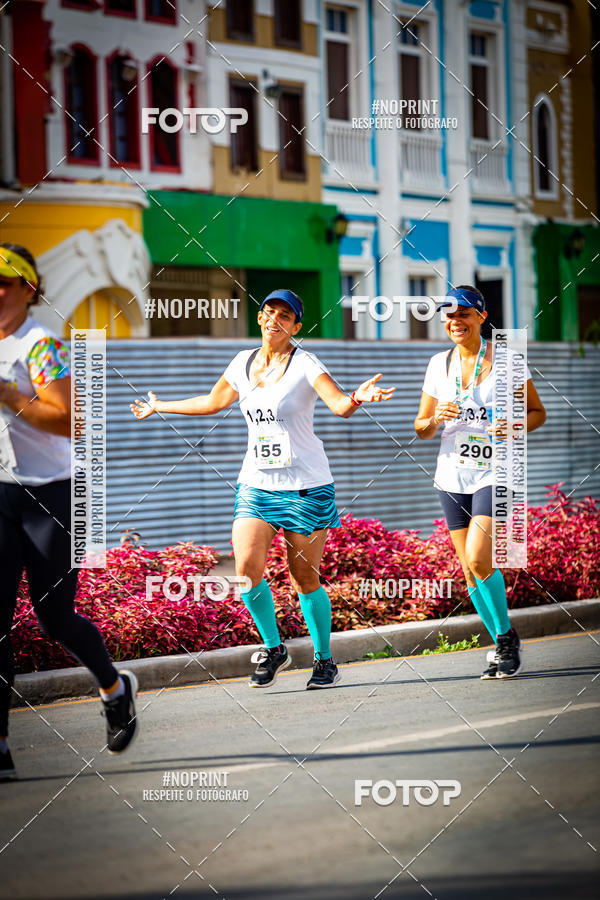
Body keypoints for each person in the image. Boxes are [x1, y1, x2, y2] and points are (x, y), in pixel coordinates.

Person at [131, 289, 395, 689]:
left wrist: (360, 396)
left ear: (296, 326)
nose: (275, 320)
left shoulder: (305, 363)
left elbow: (340, 405)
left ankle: (324, 659)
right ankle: (274, 649)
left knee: (303, 578)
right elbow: (212, 402)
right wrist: (160, 406)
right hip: (257, 484)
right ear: (259, 318)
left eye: (285, 316)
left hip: (306, 486)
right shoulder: (242, 362)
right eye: (269, 312)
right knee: (246, 572)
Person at [0, 243, 138, 782]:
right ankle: (1, 744)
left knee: (53, 617)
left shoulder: (40, 346)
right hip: (1, 494)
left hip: (53, 495)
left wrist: (9, 395)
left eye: (4, 283)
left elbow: (69, 420)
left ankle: (114, 687)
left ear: (28, 289)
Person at [414, 285, 546, 679]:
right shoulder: (438, 364)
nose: (455, 321)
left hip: (495, 471)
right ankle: (503, 642)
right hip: (451, 474)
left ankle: (505, 638)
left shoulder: (507, 360)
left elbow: (537, 412)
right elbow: (421, 428)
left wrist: (514, 426)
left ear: (481, 317)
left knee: (478, 556)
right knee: (470, 571)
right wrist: (435, 417)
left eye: (464, 314)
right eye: (449, 315)